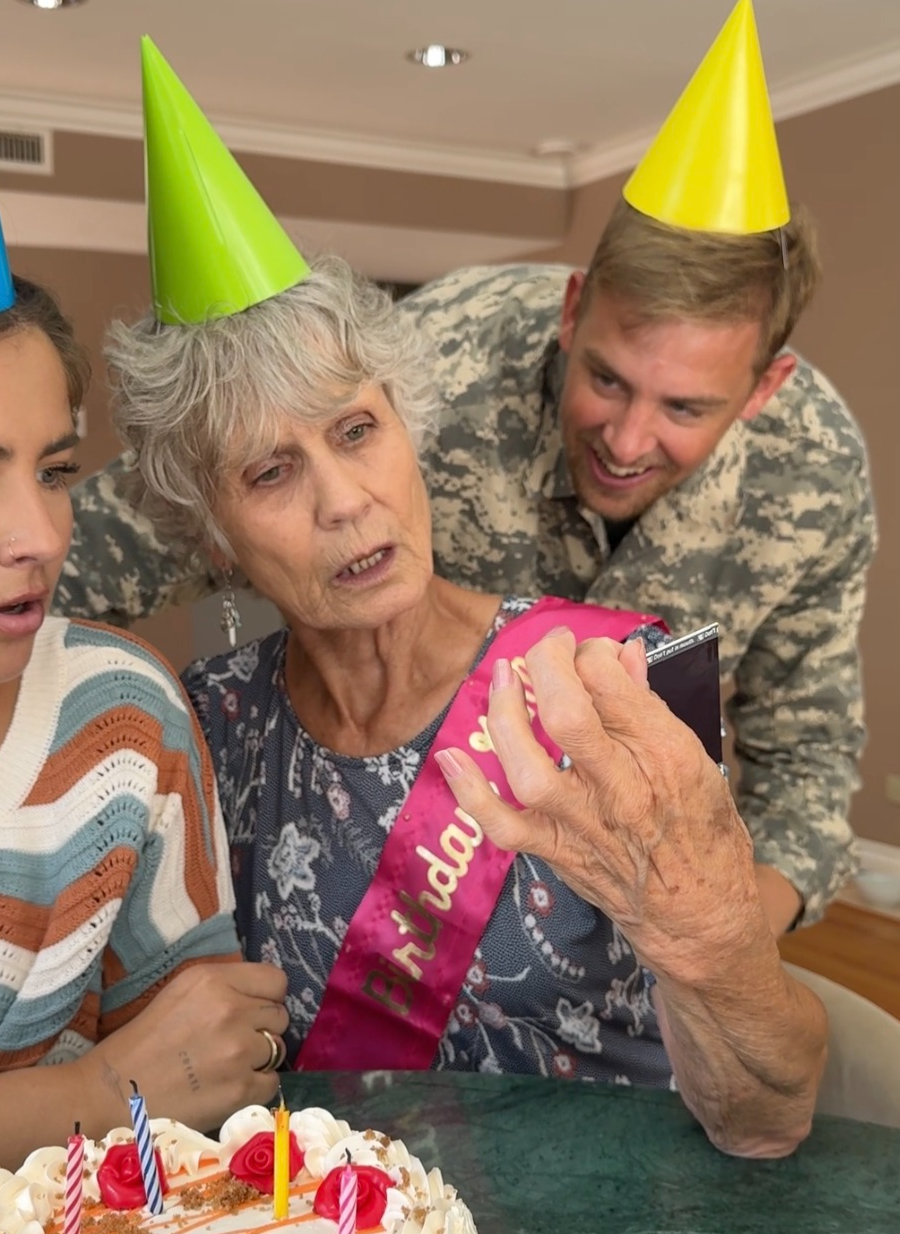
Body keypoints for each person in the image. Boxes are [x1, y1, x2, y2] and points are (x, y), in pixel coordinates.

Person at [96, 39, 826, 1160]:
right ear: (212, 536)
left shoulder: (613, 683)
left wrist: (712, 941)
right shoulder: (206, 728)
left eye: (355, 430)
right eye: (270, 472)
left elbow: (765, 1118)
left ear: (406, 422)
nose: (345, 502)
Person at [0, 91, 288, 1173]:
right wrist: (97, 1088)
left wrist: (156, 1086)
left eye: (56, 471)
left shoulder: (123, 712)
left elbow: (210, 1062)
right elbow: (145, 1080)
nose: (37, 535)